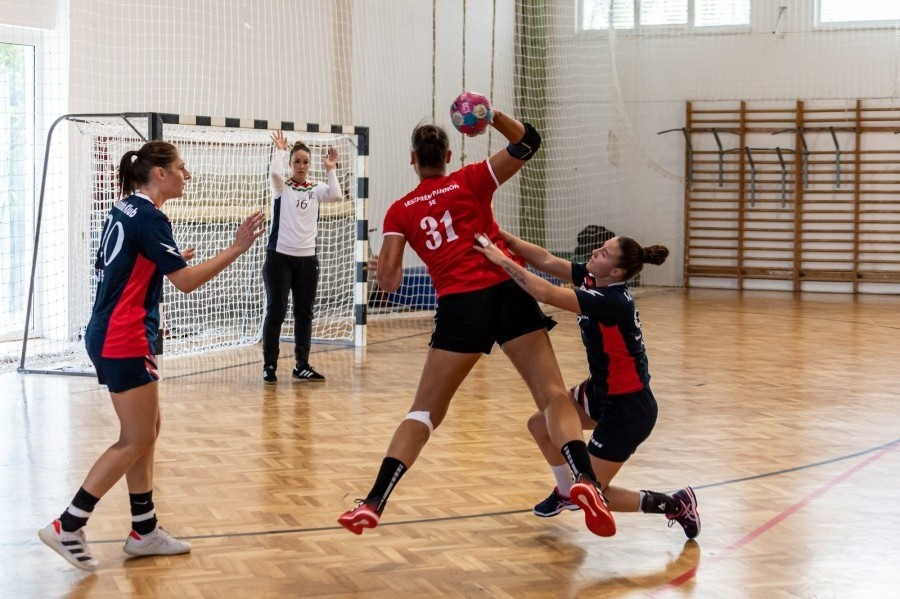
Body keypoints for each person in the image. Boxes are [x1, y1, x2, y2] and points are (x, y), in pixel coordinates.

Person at [338, 109, 616, 538]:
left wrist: (380, 265)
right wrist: (491, 116)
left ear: (413, 159)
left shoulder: (399, 212)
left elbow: (390, 284)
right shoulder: (470, 179)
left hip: (459, 307)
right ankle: (583, 478)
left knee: (424, 413)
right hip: (508, 290)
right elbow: (528, 143)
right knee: (552, 396)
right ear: (448, 154)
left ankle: (374, 501)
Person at [38, 141, 266, 571]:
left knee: (148, 429)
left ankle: (144, 529)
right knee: (136, 437)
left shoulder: (127, 207)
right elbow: (185, 283)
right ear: (160, 174)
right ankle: (68, 524)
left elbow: (122, 263)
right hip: (122, 335)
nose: (187, 174)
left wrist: (162, 265)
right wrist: (237, 248)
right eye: (181, 167)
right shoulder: (150, 217)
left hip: (116, 328)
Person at [474, 229, 700, 539]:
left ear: (617, 272)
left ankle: (675, 504)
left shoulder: (613, 300)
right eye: (600, 249)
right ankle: (566, 491)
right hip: (599, 391)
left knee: (596, 494)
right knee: (541, 425)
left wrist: (500, 259)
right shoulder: (593, 278)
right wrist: (502, 235)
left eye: (604, 254)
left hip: (628, 409)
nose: (595, 253)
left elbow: (546, 294)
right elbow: (545, 259)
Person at [261, 132, 341, 383]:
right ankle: (270, 365)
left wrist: (330, 170)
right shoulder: (282, 187)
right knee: (277, 310)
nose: (302, 166)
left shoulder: (316, 188)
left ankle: (302, 364)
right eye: (297, 161)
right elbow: (274, 174)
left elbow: (337, 195)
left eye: (305, 162)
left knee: (304, 313)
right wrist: (281, 151)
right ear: (291, 163)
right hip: (279, 257)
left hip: (307, 259)